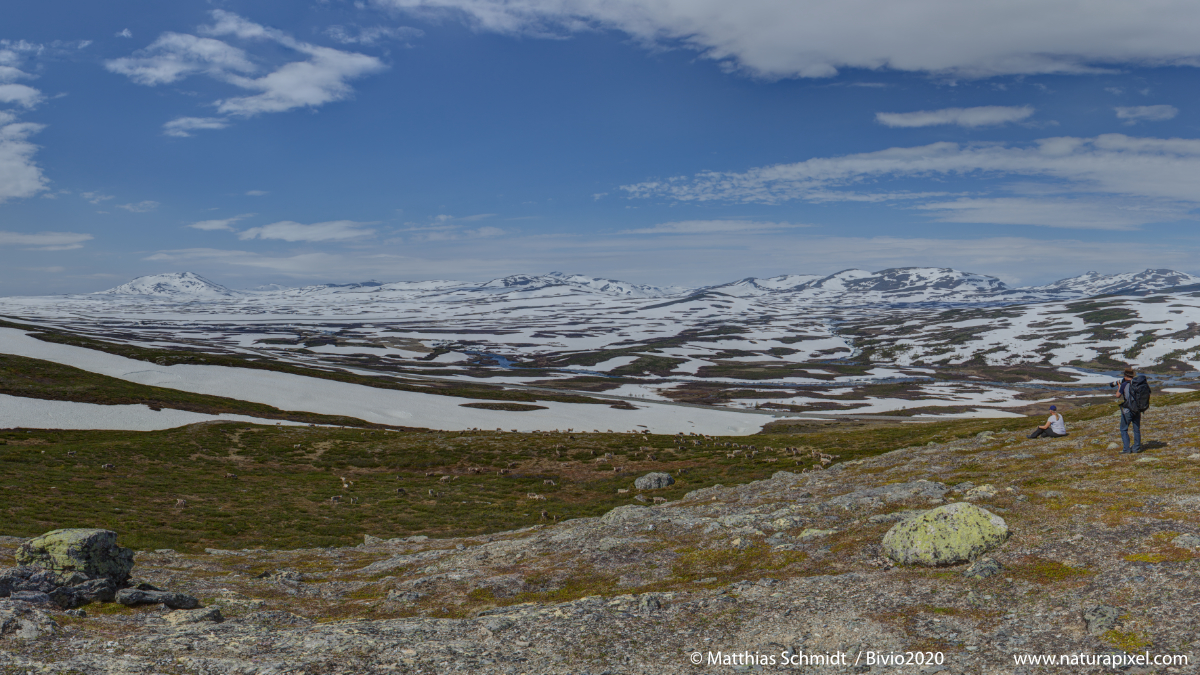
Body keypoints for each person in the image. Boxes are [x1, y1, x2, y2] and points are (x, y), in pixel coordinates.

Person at [1116, 367, 1142, 454]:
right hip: (1137, 409)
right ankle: (1136, 448)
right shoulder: (1137, 383)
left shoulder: (1124, 384)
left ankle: (1126, 449)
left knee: (1123, 429)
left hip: (1128, 410)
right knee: (1136, 429)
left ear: (1126, 375)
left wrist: (1119, 386)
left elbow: (1117, 395)